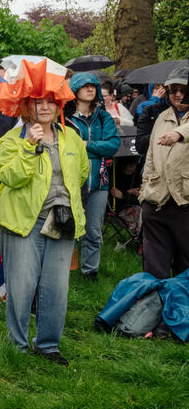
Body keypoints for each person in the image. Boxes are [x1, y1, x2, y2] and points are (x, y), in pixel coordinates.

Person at [0, 93, 89, 363]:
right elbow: (10, 176)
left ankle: (48, 346)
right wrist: (29, 146)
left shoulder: (71, 138)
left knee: (56, 288)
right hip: (23, 221)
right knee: (21, 287)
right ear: (27, 107)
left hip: (61, 221)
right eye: (38, 102)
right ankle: (17, 347)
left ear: (59, 106)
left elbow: (82, 172)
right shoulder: (12, 139)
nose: (45, 107)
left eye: (50, 102)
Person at [64, 71, 121, 282]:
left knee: (93, 230)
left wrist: (86, 145)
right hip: (70, 181)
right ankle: (65, 269)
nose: (90, 89)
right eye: (85, 85)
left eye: (93, 85)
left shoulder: (103, 117)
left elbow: (113, 145)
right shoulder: (65, 117)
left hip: (99, 182)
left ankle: (90, 271)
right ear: (75, 89)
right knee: (68, 226)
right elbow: (64, 147)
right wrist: (95, 149)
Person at [138, 76, 189, 278]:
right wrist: (144, 193)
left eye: (183, 89)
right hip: (156, 200)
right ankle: (156, 297)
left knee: (185, 266)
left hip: (185, 201)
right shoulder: (162, 117)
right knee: (154, 266)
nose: (178, 94)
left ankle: (182, 298)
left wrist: (179, 132)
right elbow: (150, 157)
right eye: (173, 89)